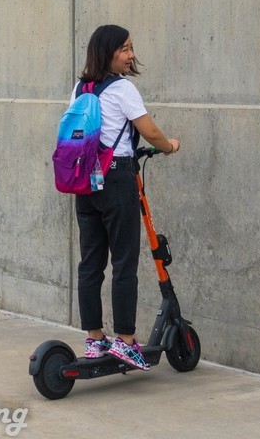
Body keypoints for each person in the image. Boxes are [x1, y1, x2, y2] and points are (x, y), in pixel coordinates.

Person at [72, 24, 179, 371]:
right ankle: (126, 342)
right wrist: (168, 146)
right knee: (124, 263)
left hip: (85, 181)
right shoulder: (122, 88)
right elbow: (147, 130)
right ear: (108, 52)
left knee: (90, 263)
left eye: (132, 48)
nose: (131, 55)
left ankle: (94, 339)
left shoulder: (80, 88)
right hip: (116, 178)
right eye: (125, 49)